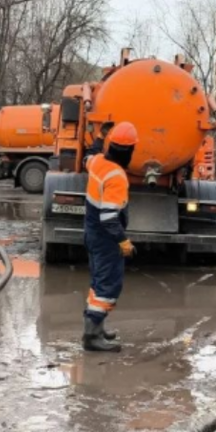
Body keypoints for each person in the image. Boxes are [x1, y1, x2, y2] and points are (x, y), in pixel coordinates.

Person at [82, 122, 138, 352]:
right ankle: (92, 338)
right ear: (130, 151)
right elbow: (109, 217)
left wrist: (98, 137)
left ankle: (97, 329)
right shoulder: (117, 177)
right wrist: (123, 241)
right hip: (106, 239)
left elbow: (89, 155)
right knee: (108, 286)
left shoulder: (97, 163)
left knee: (98, 283)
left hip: (92, 233)